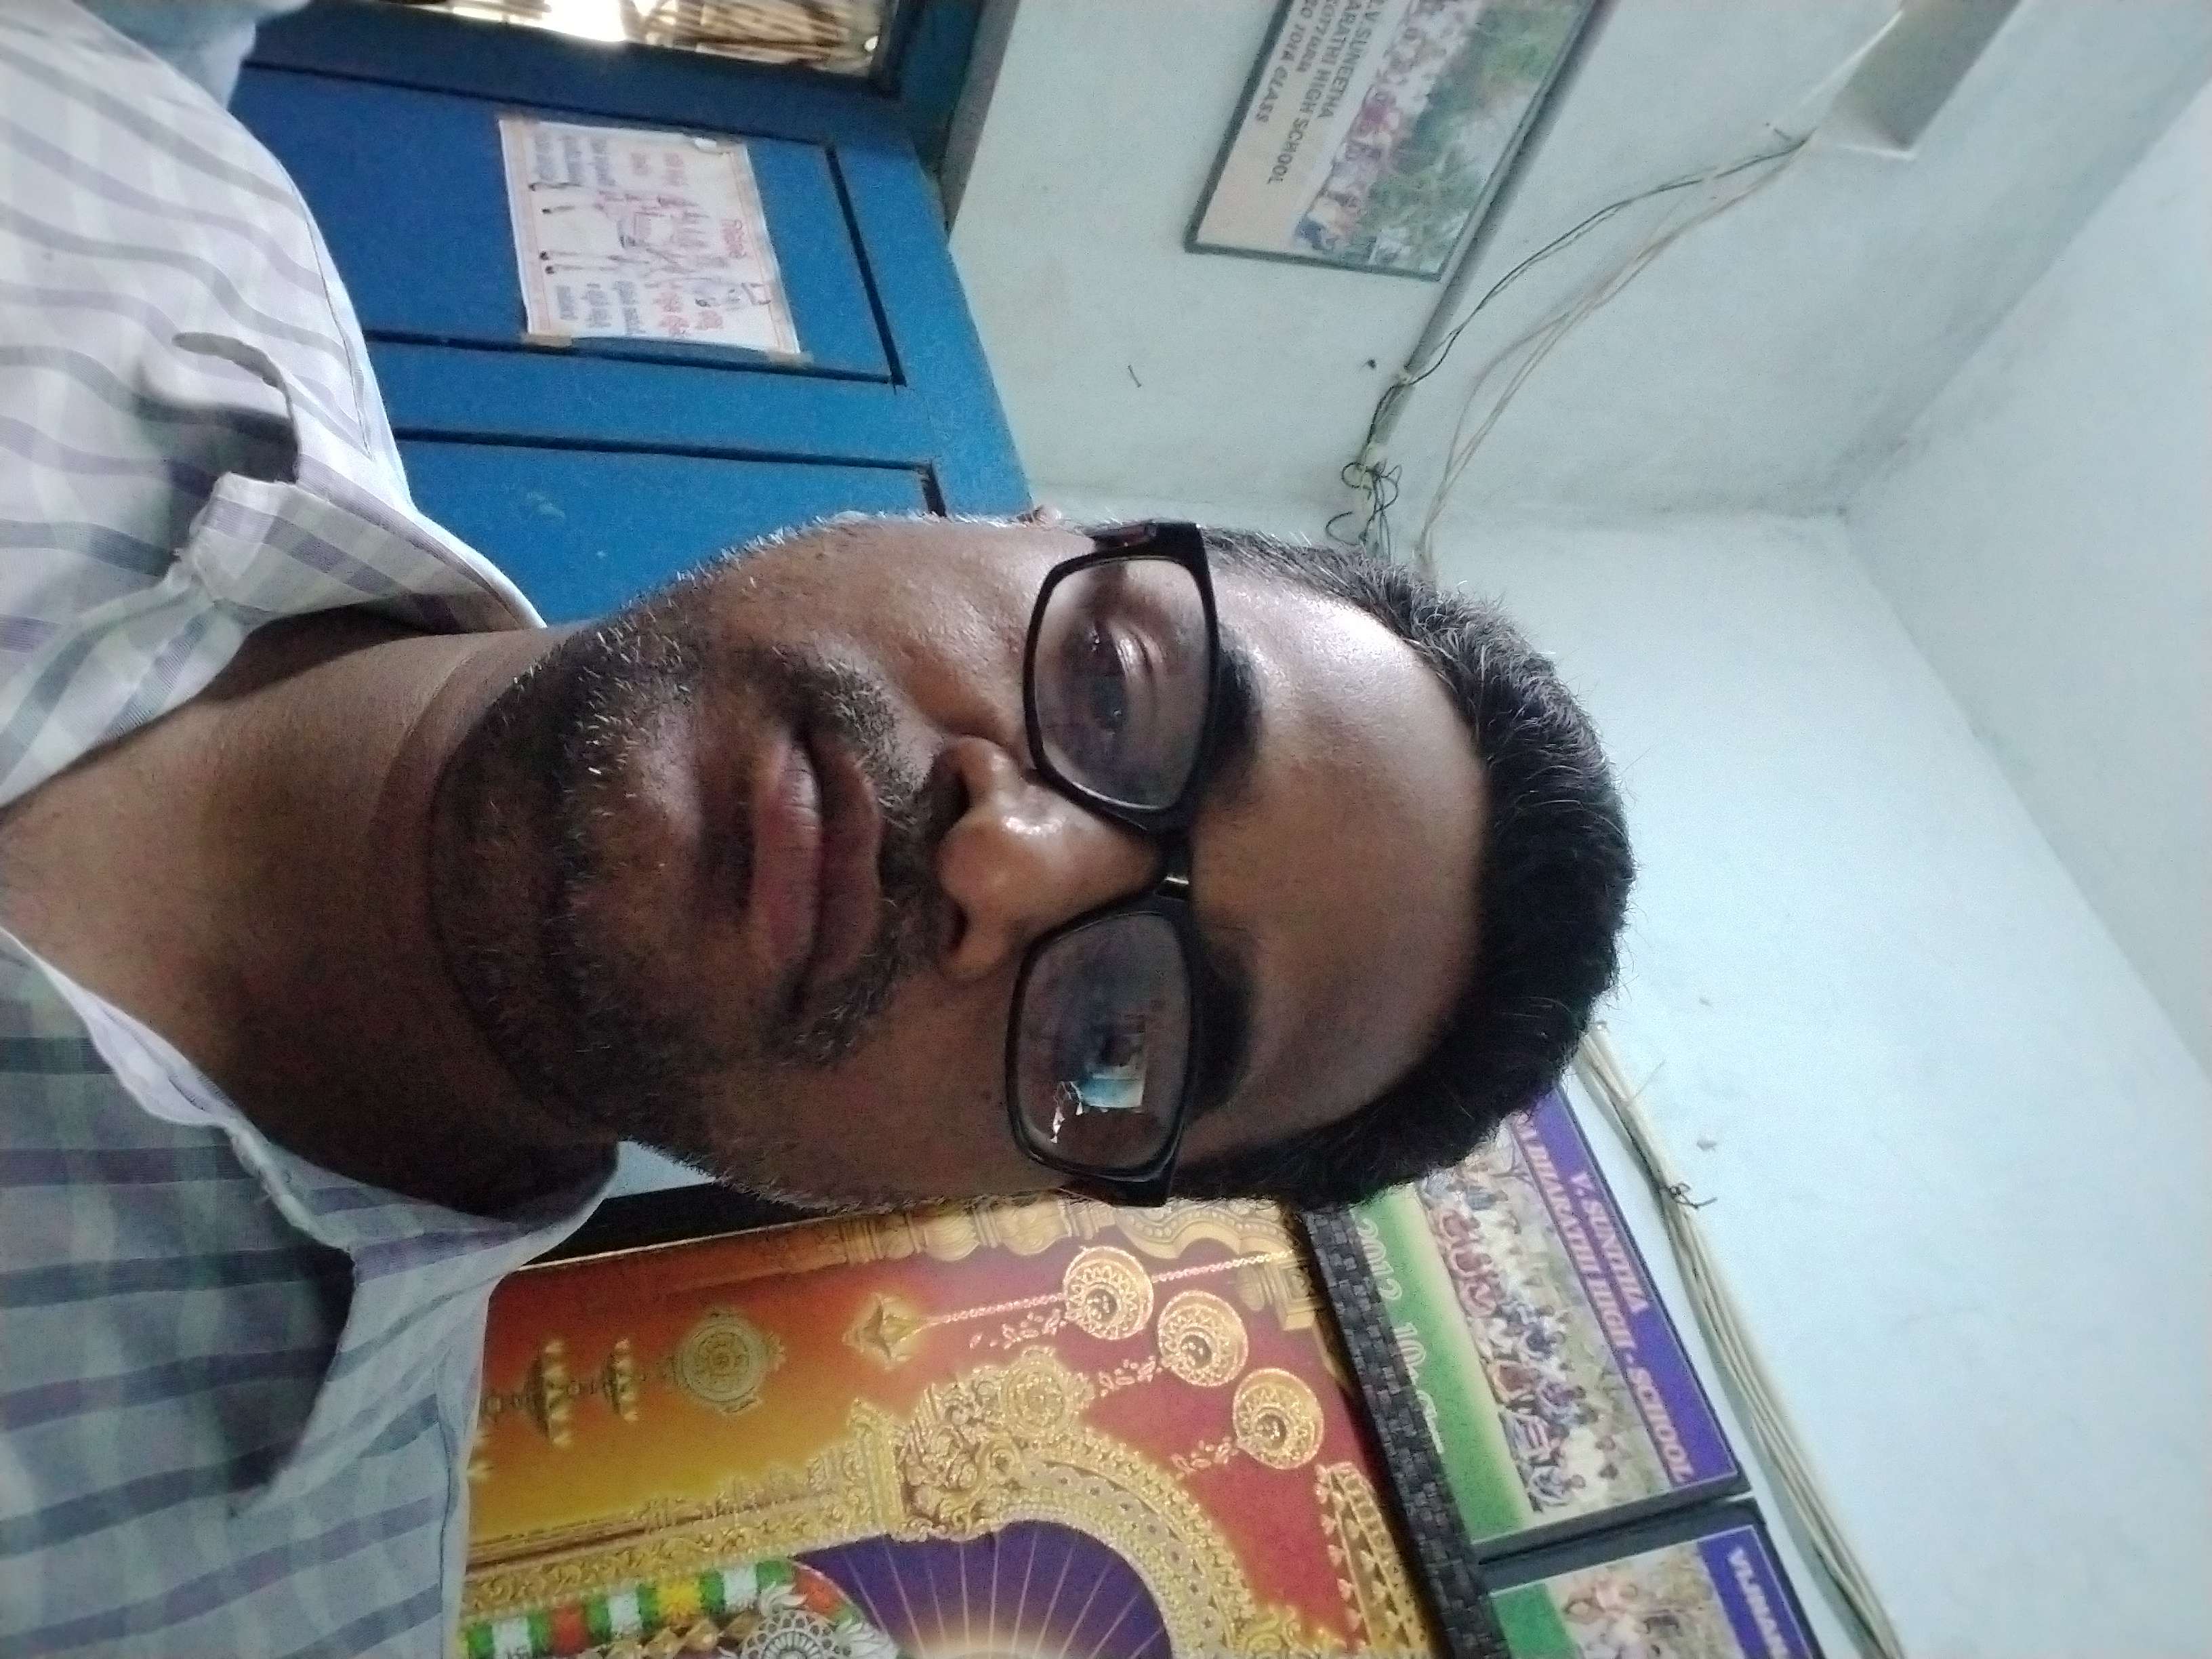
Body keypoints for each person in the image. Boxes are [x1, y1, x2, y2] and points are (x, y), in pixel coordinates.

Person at [0, 2, 1631, 1653]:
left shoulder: (249, 1616)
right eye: (1118, 686)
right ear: (1032, 532)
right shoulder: (121, 181)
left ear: (1036, 1186)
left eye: (1119, 1035)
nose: (1005, 860)